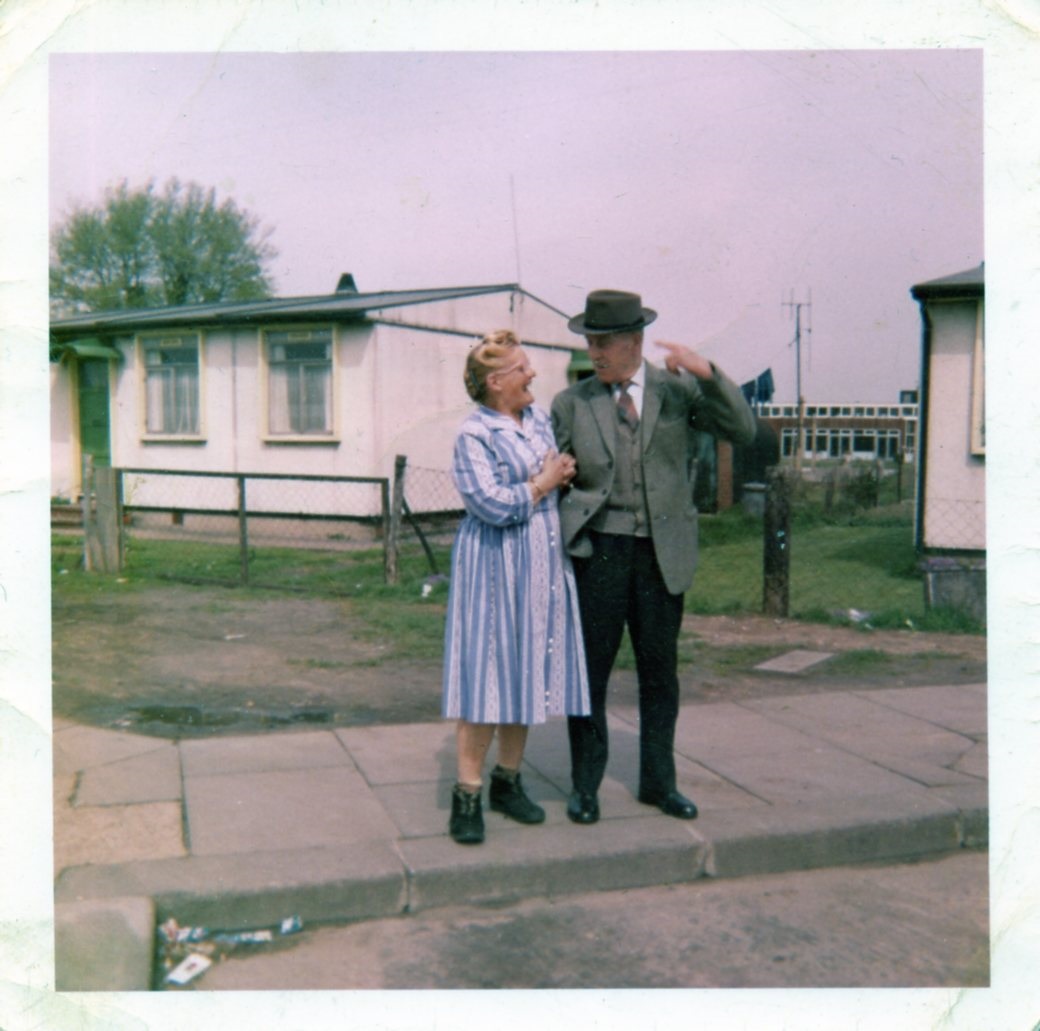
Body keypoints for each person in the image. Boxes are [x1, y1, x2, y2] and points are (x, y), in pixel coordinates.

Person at [551, 289, 756, 825]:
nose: (594, 352)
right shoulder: (572, 404)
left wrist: (707, 372)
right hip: (598, 552)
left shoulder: (677, 392)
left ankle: (658, 784)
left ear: (635, 340)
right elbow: (550, 477)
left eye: (604, 341)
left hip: (662, 554)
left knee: (660, 673)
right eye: (589, 341)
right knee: (589, 674)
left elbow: (741, 430)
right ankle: (585, 787)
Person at [442, 330, 591, 844]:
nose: (532, 375)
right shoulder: (473, 435)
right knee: (485, 677)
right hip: (492, 567)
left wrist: (561, 472)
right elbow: (490, 504)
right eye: (523, 368)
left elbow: (554, 465)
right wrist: (544, 483)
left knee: (526, 672)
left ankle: (508, 782)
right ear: (495, 381)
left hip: (541, 563)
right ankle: (467, 794)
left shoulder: (538, 419)